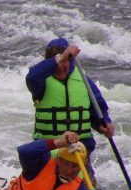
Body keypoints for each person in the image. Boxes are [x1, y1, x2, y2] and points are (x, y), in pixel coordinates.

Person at [25, 38, 115, 177]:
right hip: (50, 151)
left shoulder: (83, 80)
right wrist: (61, 58)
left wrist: (103, 124)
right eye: (59, 62)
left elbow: (98, 107)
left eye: (66, 61)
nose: (61, 66)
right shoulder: (40, 81)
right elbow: (31, 77)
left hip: (80, 149)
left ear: (72, 62)